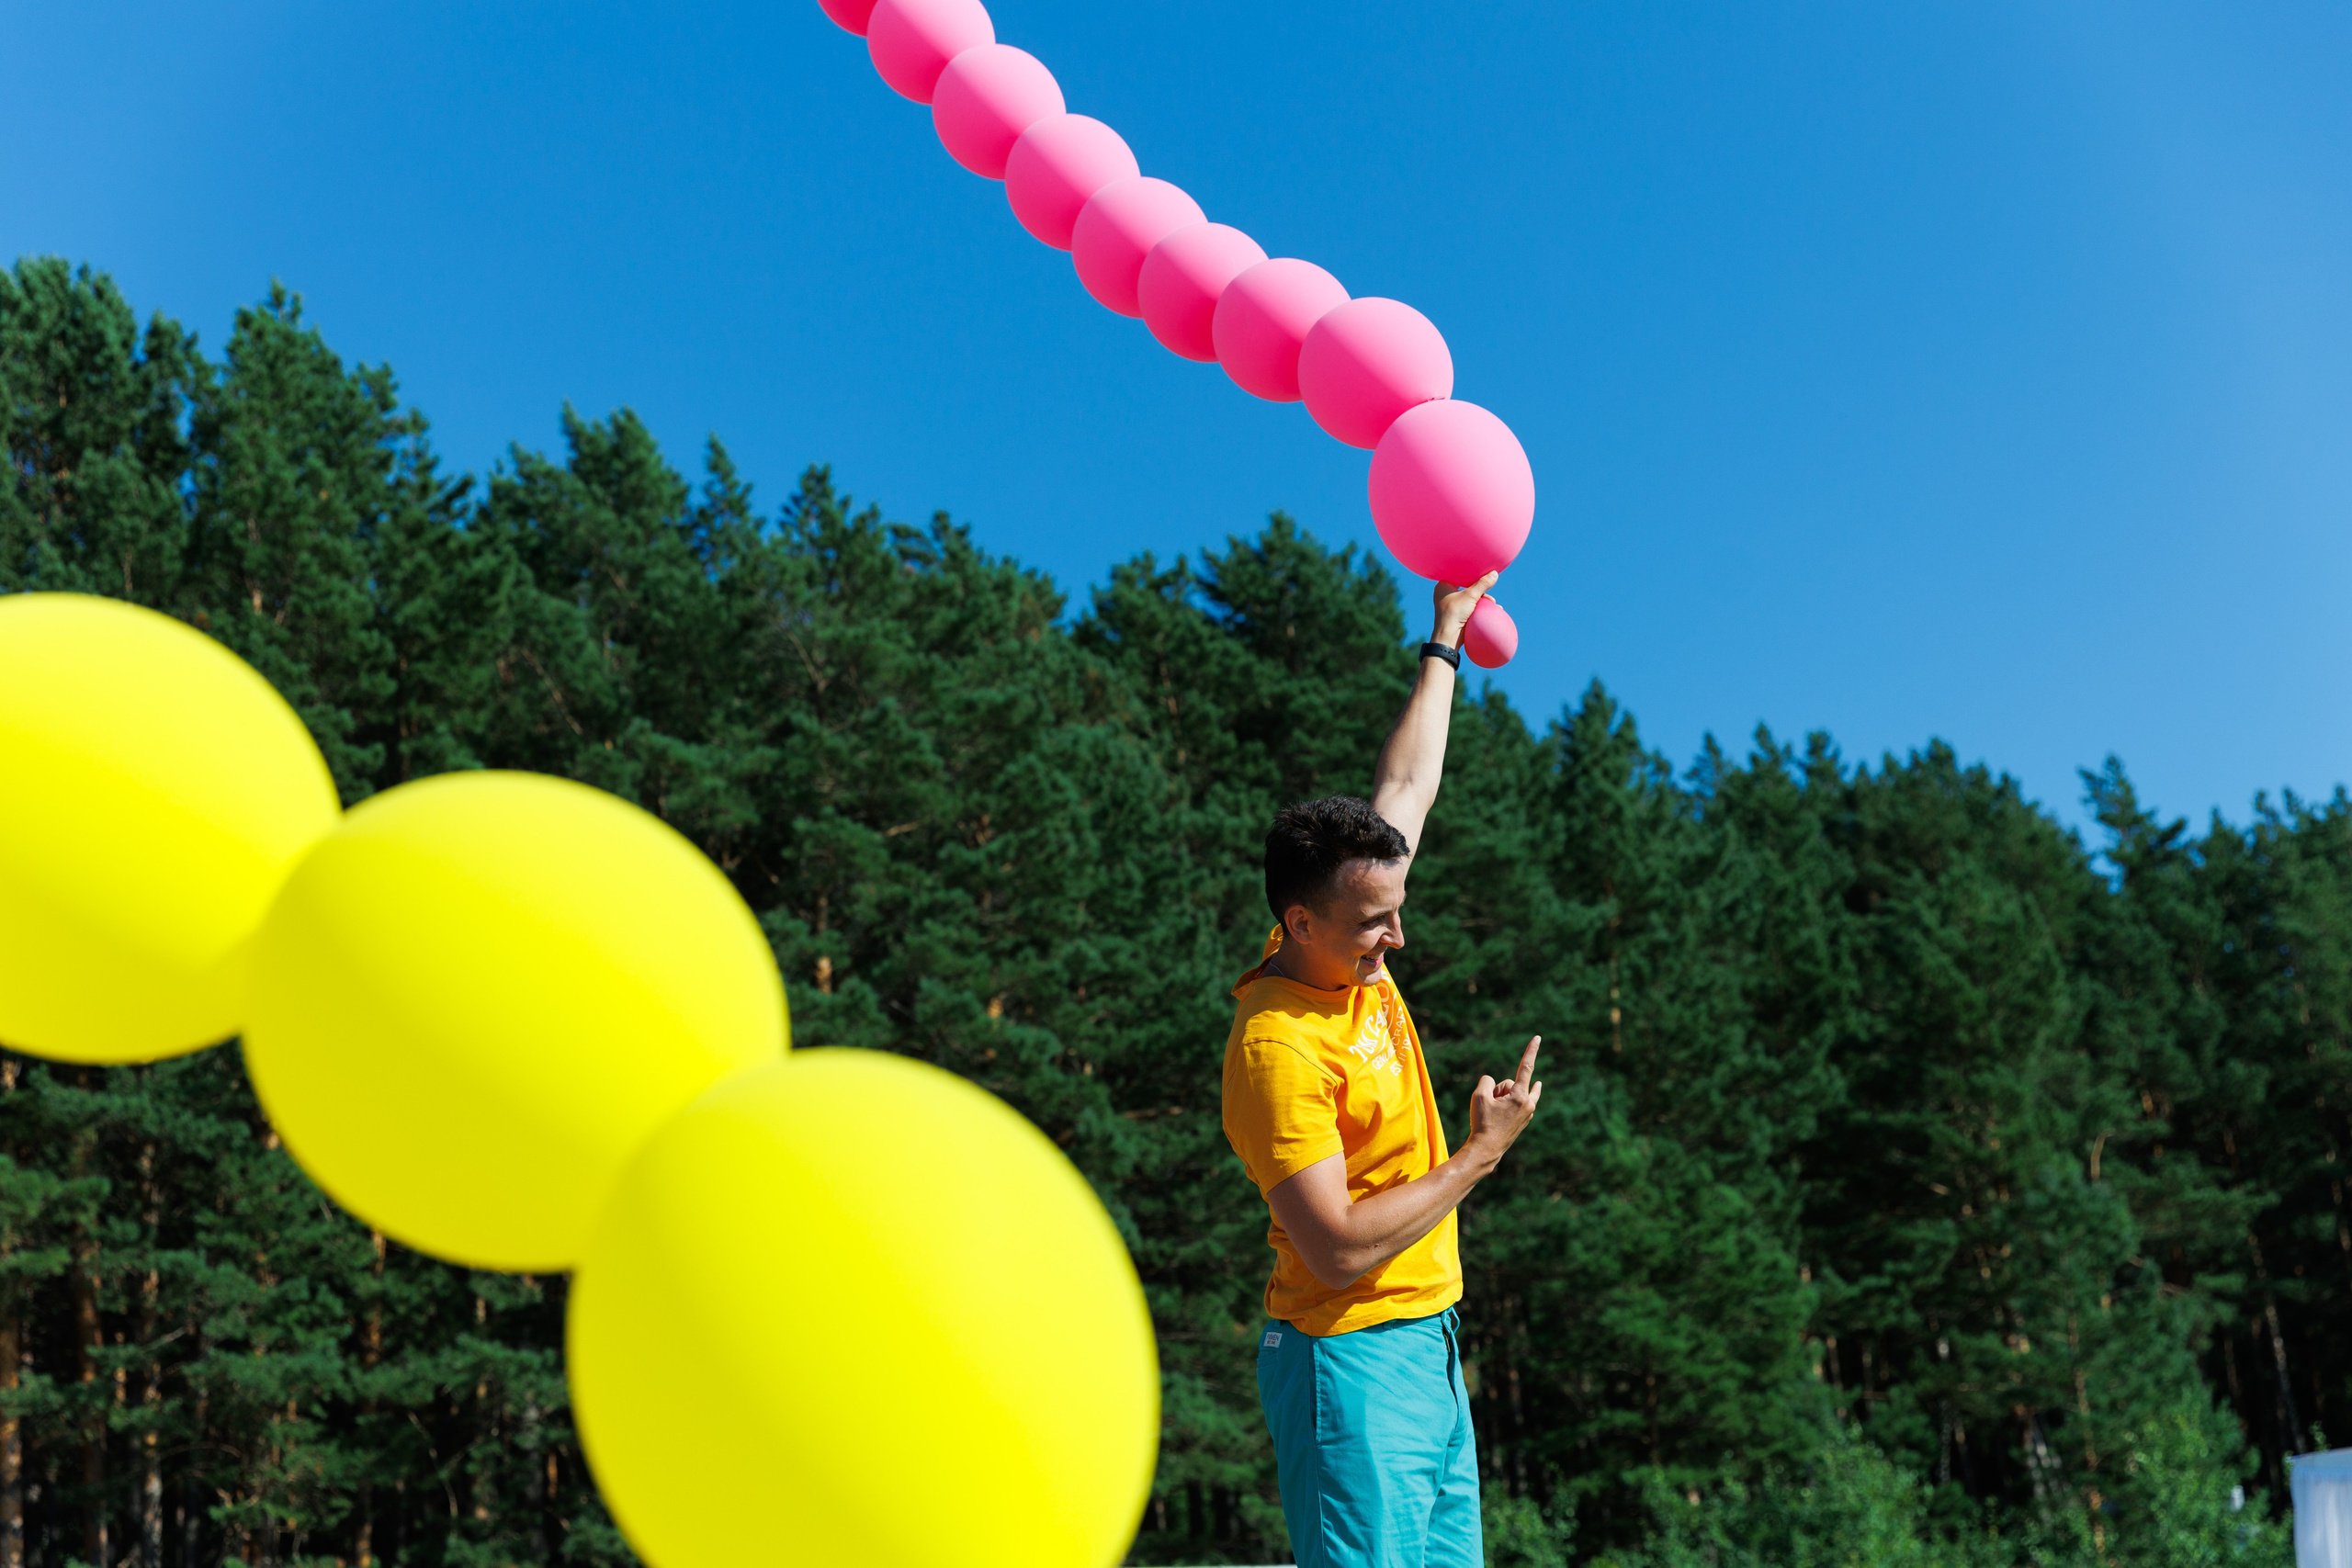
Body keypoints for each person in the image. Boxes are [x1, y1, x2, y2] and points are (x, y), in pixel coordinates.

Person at [1221, 571, 1544, 1568]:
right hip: (1346, 1363)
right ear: (1298, 923)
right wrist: (1476, 1160)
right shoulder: (1276, 1047)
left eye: (1396, 909)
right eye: (1373, 925)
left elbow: (1407, 785)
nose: (1395, 939)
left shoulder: (1348, 941)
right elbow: (1337, 1253)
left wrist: (1442, 638)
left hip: (1427, 1346)